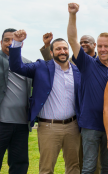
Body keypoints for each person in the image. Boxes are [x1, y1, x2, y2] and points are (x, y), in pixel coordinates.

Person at [9, 30, 81, 174]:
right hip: (49, 127)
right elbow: (17, 67)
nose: (62, 51)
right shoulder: (41, 67)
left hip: (73, 127)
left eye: (65, 48)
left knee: (74, 168)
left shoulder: (77, 71)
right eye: (58, 48)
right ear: (52, 51)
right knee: (46, 169)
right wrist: (16, 43)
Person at [67, 3, 108, 174]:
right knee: (88, 167)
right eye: (100, 46)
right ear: (96, 47)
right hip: (90, 125)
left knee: (107, 167)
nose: (103, 49)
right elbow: (73, 40)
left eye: (106, 46)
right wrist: (73, 15)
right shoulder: (87, 63)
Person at [39, 32, 101, 173]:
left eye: (87, 42)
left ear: (94, 45)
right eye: (81, 42)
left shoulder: (100, 63)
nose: (83, 44)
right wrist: (47, 46)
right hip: (70, 121)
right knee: (69, 163)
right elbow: (54, 65)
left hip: (89, 118)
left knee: (88, 161)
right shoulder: (73, 63)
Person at [0, 29, 32, 174]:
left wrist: (46, 47)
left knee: (19, 165)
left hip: (21, 125)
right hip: (1, 123)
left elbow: (48, 71)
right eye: (7, 40)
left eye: (14, 40)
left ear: (20, 44)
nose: (10, 43)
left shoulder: (26, 64)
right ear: (1, 43)